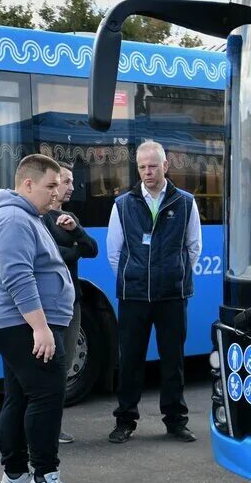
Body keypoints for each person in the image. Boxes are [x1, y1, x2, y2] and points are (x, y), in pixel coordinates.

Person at [0, 153, 78, 483]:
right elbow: (18, 277)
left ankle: (16, 473)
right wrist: (40, 328)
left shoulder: (26, 216)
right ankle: (43, 476)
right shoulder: (13, 220)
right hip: (21, 322)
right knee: (47, 394)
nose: (56, 193)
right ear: (27, 184)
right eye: (50, 186)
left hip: (17, 322)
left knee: (21, 395)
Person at [107, 141, 202, 443]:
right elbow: (114, 252)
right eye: (142, 167)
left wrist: (174, 274)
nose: (147, 172)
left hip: (172, 296)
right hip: (134, 296)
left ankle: (176, 421)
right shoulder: (123, 204)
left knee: (172, 361)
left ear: (166, 166)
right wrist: (134, 278)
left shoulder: (185, 202)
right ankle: (125, 421)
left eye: (152, 166)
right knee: (130, 361)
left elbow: (193, 247)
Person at [44, 162, 99, 444]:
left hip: (71, 300)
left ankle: (55, 426)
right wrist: (75, 250)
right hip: (48, 304)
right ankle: (44, 428)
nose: (72, 187)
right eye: (67, 181)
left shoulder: (69, 217)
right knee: (49, 368)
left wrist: (76, 232)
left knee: (63, 367)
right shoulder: (40, 218)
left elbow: (92, 249)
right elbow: (52, 257)